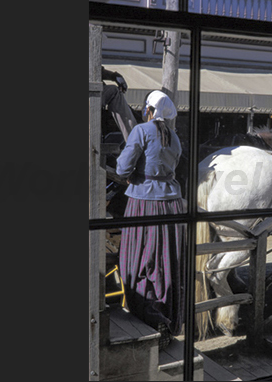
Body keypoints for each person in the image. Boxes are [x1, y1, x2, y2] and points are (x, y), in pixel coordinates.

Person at [116, 90, 185, 349]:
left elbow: (123, 168)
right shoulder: (175, 137)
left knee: (139, 260)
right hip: (172, 204)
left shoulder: (141, 131)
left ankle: (149, 320)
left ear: (149, 110)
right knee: (165, 262)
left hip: (144, 203)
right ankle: (165, 321)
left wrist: (132, 176)